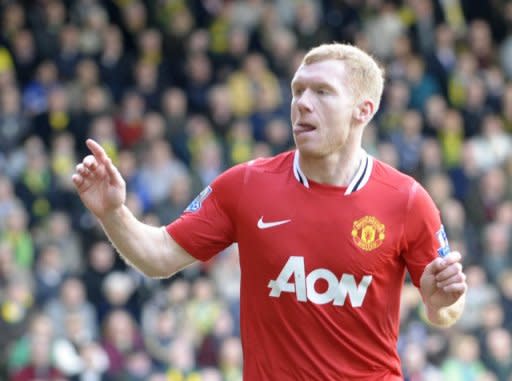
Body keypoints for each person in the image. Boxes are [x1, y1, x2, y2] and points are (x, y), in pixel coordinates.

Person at [72, 43, 467, 380]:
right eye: (298, 91)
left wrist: (440, 301)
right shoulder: (246, 185)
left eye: (322, 92)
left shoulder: (407, 200)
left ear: (363, 110)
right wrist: (113, 212)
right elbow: (159, 256)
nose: (302, 104)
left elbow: (446, 313)